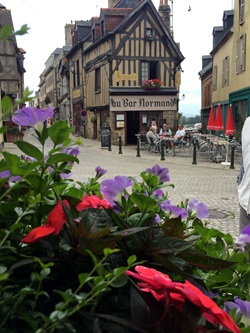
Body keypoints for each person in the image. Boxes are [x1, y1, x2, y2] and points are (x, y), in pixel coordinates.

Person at [238, 116, 250, 233]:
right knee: (244, 246)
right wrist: (240, 191)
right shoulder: (248, 123)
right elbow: (244, 162)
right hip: (246, 201)